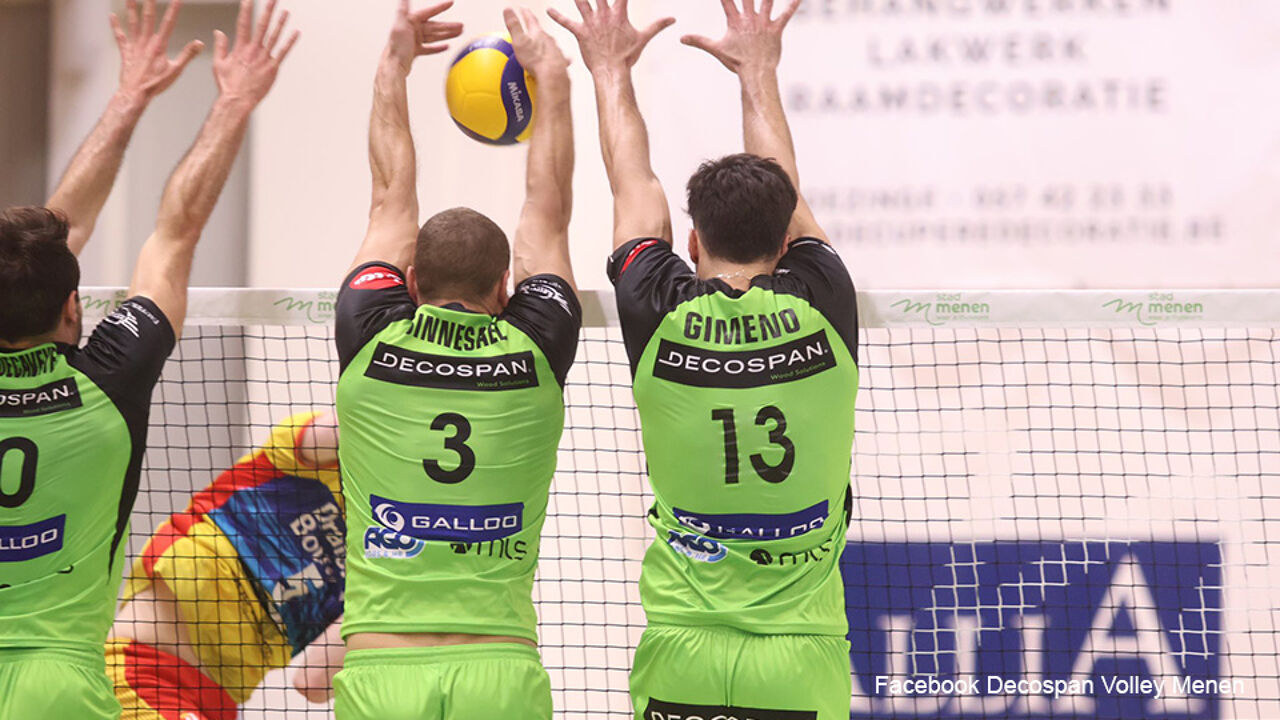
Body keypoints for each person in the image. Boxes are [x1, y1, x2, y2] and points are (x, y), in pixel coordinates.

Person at [552, 0, 858, 717]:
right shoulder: (822, 297)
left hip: (682, 644)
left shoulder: (657, 308)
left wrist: (609, 69)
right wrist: (758, 72)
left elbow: (633, 187)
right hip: (799, 655)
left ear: (692, 243)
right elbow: (786, 190)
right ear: (785, 245)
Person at [0, 0, 297, 717]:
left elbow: (54, 240)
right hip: (57, 685)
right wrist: (231, 102)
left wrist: (125, 99)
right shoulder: (111, 379)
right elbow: (175, 234)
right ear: (74, 309)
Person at [331, 1, 581, 717]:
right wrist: (552, 80)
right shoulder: (538, 344)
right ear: (505, 289)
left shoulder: (368, 331)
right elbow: (547, 213)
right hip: (497, 667)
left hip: (382, 671)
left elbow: (390, 200)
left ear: (410, 284)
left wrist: (394, 63)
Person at [108, 411, 342, 719]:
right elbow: (359, 420)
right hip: (146, 673)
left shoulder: (386, 563)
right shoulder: (309, 462)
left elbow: (314, 682)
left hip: (217, 705)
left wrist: (390, 589)